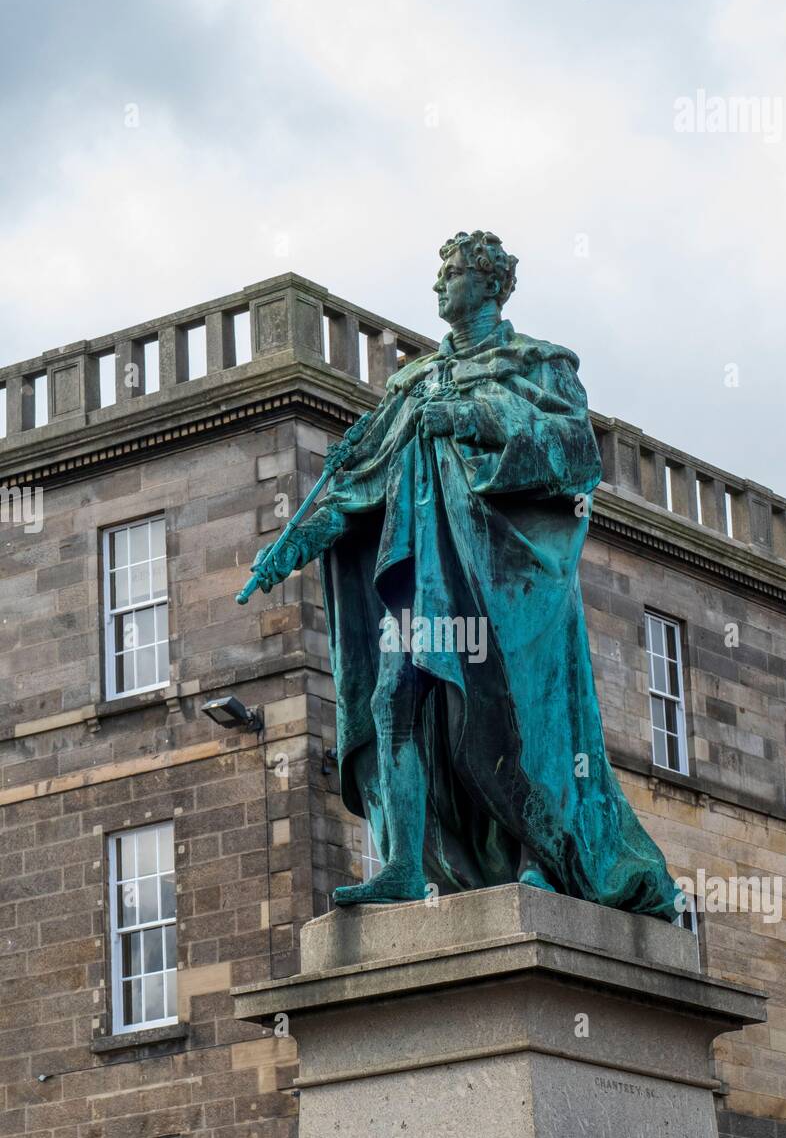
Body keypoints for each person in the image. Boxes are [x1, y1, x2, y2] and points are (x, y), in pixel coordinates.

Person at [252, 230, 680, 919]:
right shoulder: (412, 383)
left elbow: (574, 454)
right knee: (392, 701)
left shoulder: (537, 363)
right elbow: (360, 476)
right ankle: (399, 865)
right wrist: (297, 543)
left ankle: (545, 858)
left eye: (451, 272)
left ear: (490, 282)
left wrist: (472, 417)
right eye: (440, 272)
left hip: (502, 577)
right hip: (422, 574)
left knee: (502, 724)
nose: (438, 286)